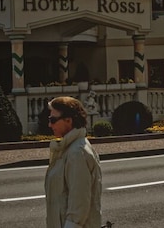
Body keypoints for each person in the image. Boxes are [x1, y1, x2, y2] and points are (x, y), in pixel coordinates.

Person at [46, 96, 103, 228]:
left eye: (53, 120)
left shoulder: (77, 153)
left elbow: (79, 205)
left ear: (68, 120)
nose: (49, 124)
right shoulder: (68, 149)